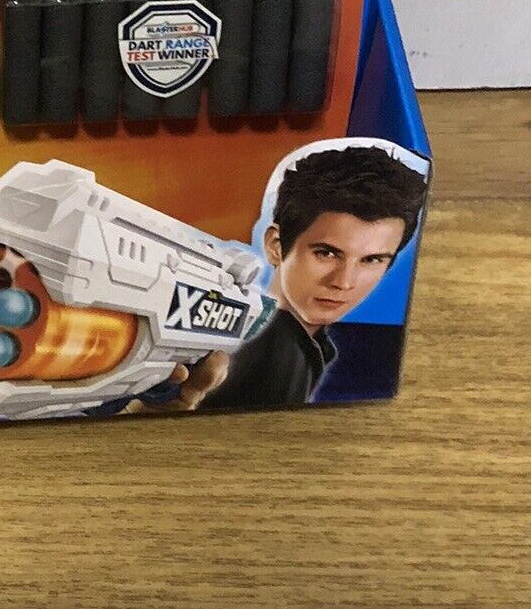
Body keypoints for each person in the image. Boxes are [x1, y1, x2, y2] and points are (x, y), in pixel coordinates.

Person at [129, 143, 428, 414]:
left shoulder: (300, 344)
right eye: (326, 253)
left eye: (372, 260)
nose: (344, 282)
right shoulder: (279, 351)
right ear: (275, 245)